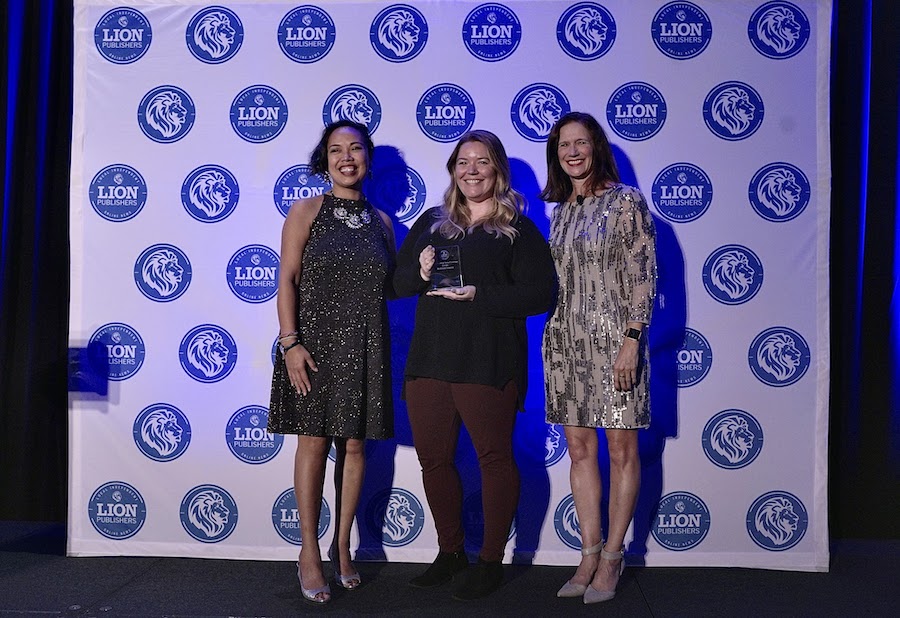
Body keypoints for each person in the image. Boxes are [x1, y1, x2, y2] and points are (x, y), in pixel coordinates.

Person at [393, 130, 555, 601]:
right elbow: (397, 285)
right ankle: (450, 553)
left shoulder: (517, 230)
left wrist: (481, 294)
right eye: (463, 162)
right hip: (430, 361)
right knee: (435, 460)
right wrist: (421, 271)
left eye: (482, 162)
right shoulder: (431, 223)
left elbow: (540, 294)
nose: (471, 170)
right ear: (452, 170)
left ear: (497, 170)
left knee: (494, 458)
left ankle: (489, 561)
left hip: (488, 360)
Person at [268, 120, 395, 604]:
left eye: (356, 149)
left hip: (365, 348)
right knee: (314, 444)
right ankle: (308, 550)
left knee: (356, 447)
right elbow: (287, 281)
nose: (347, 158)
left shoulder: (383, 222)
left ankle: (343, 546)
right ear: (325, 159)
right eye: (337, 150)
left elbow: (394, 287)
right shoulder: (305, 211)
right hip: (313, 348)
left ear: (368, 157)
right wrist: (290, 343)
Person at [540, 112, 657, 604]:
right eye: (564, 145)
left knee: (621, 452)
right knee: (580, 452)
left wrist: (632, 339)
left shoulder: (627, 201)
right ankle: (587, 554)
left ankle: (613, 556)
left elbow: (644, 275)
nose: (572, 152)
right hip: (565, 344)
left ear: (596, 147)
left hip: (616, 345)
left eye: (580, 143)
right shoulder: (560, 210)